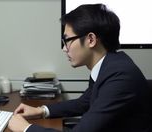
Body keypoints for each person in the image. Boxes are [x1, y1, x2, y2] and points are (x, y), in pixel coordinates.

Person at [8, 4, 152, 132]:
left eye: (67, 40)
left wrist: (25, 128)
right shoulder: (109, 66)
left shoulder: (120, 76)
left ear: (91, 40)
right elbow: (84, 103)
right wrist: (41, 111)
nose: (64, 49)